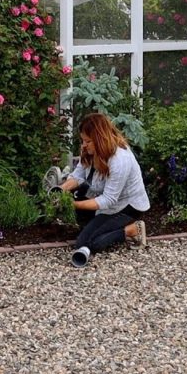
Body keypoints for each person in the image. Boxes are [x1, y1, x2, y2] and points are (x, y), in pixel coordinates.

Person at [60, 113, 149, 267]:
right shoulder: (90, 152)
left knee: (87, 242)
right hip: (105, 202)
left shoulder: (120, 160)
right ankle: (99, 227)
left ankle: (133, 230)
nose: (83, 145)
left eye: (88, 141)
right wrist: (61, 191)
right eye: (83, 140)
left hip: (127, 207)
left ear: (100, 139)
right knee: (86, 231)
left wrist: (72, 204)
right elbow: (78, 175)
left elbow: (108, 200)